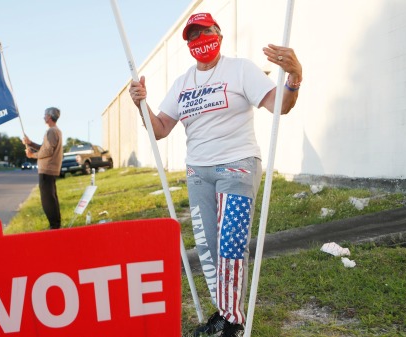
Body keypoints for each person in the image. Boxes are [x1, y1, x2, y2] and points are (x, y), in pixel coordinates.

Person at [129, 13, 302, 337]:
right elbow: (161, 128)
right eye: (193, 36)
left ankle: (233, 322)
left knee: (231, 243)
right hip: (198, 173)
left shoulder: (240, 70)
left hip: (237, 165)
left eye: (205, 31)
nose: (200, 39)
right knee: (208, 248)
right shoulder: (182, 83)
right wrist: (142, 104)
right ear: (189, 44)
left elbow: (281, 106)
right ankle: (223, 313)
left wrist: (293, 78)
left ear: (218, 34)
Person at [23, 107, 64, 230]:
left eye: (45, 115)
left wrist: (32, 155)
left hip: (47, 169)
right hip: (49, 169)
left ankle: (54, 226)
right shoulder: (55, 131)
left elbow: (47, 150)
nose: (43, 117)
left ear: (49, 117)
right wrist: (30, 143)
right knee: (51, 197)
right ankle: (56, 225)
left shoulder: (51, 131)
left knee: (47, 199)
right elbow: (44, 147)